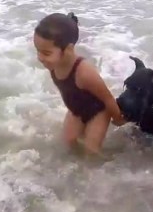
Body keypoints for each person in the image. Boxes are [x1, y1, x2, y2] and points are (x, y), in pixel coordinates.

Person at [33, 12, 125, 156]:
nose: (40, 58)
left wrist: (118, 118)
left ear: (68, 50)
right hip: (76, 110)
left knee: (91, 150)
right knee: (69, 143)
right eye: (37, 51)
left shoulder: (84, 73)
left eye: (46, 53)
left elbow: (107, 98)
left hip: (98, 112)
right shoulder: (53, 65)